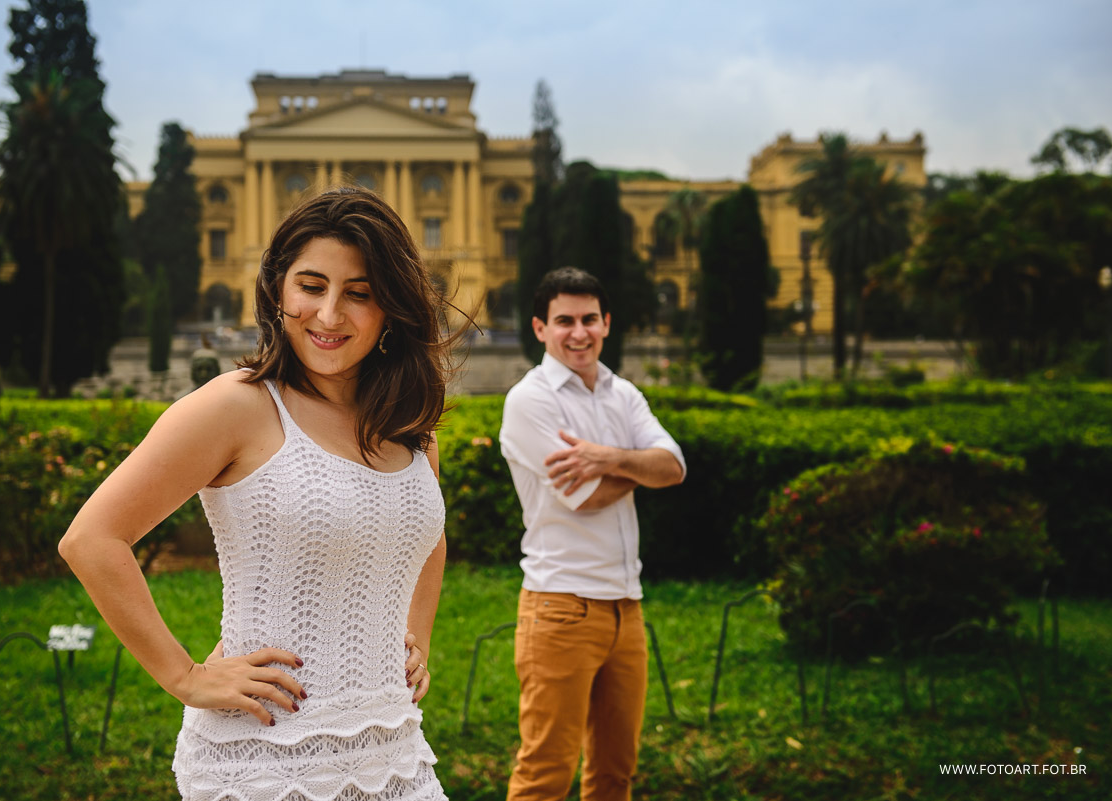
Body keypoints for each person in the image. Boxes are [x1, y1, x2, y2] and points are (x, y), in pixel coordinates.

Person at [59, 187, 453, 801]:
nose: (328, 314)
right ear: (277, 291)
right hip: (264, 756)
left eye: (359, 293)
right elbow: (92, 539)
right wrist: (185, 676)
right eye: (311, 286)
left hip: (393, 750)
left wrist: (417, 638)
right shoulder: (237, 406)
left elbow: (428, 538)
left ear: (390, 309)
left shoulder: (409, 424)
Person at [499, 267, 686, 801]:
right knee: (544, 776)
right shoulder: (530, 401)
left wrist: (604, 458)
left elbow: (673, 467)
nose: (578, 332)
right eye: (564, 321)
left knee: (614, 775)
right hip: (561, 609)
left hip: (627, 608)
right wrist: (638, 469)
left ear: (606, 323)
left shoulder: (621, 393)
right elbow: (587, 497)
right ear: (540, 328)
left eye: (588, 319)